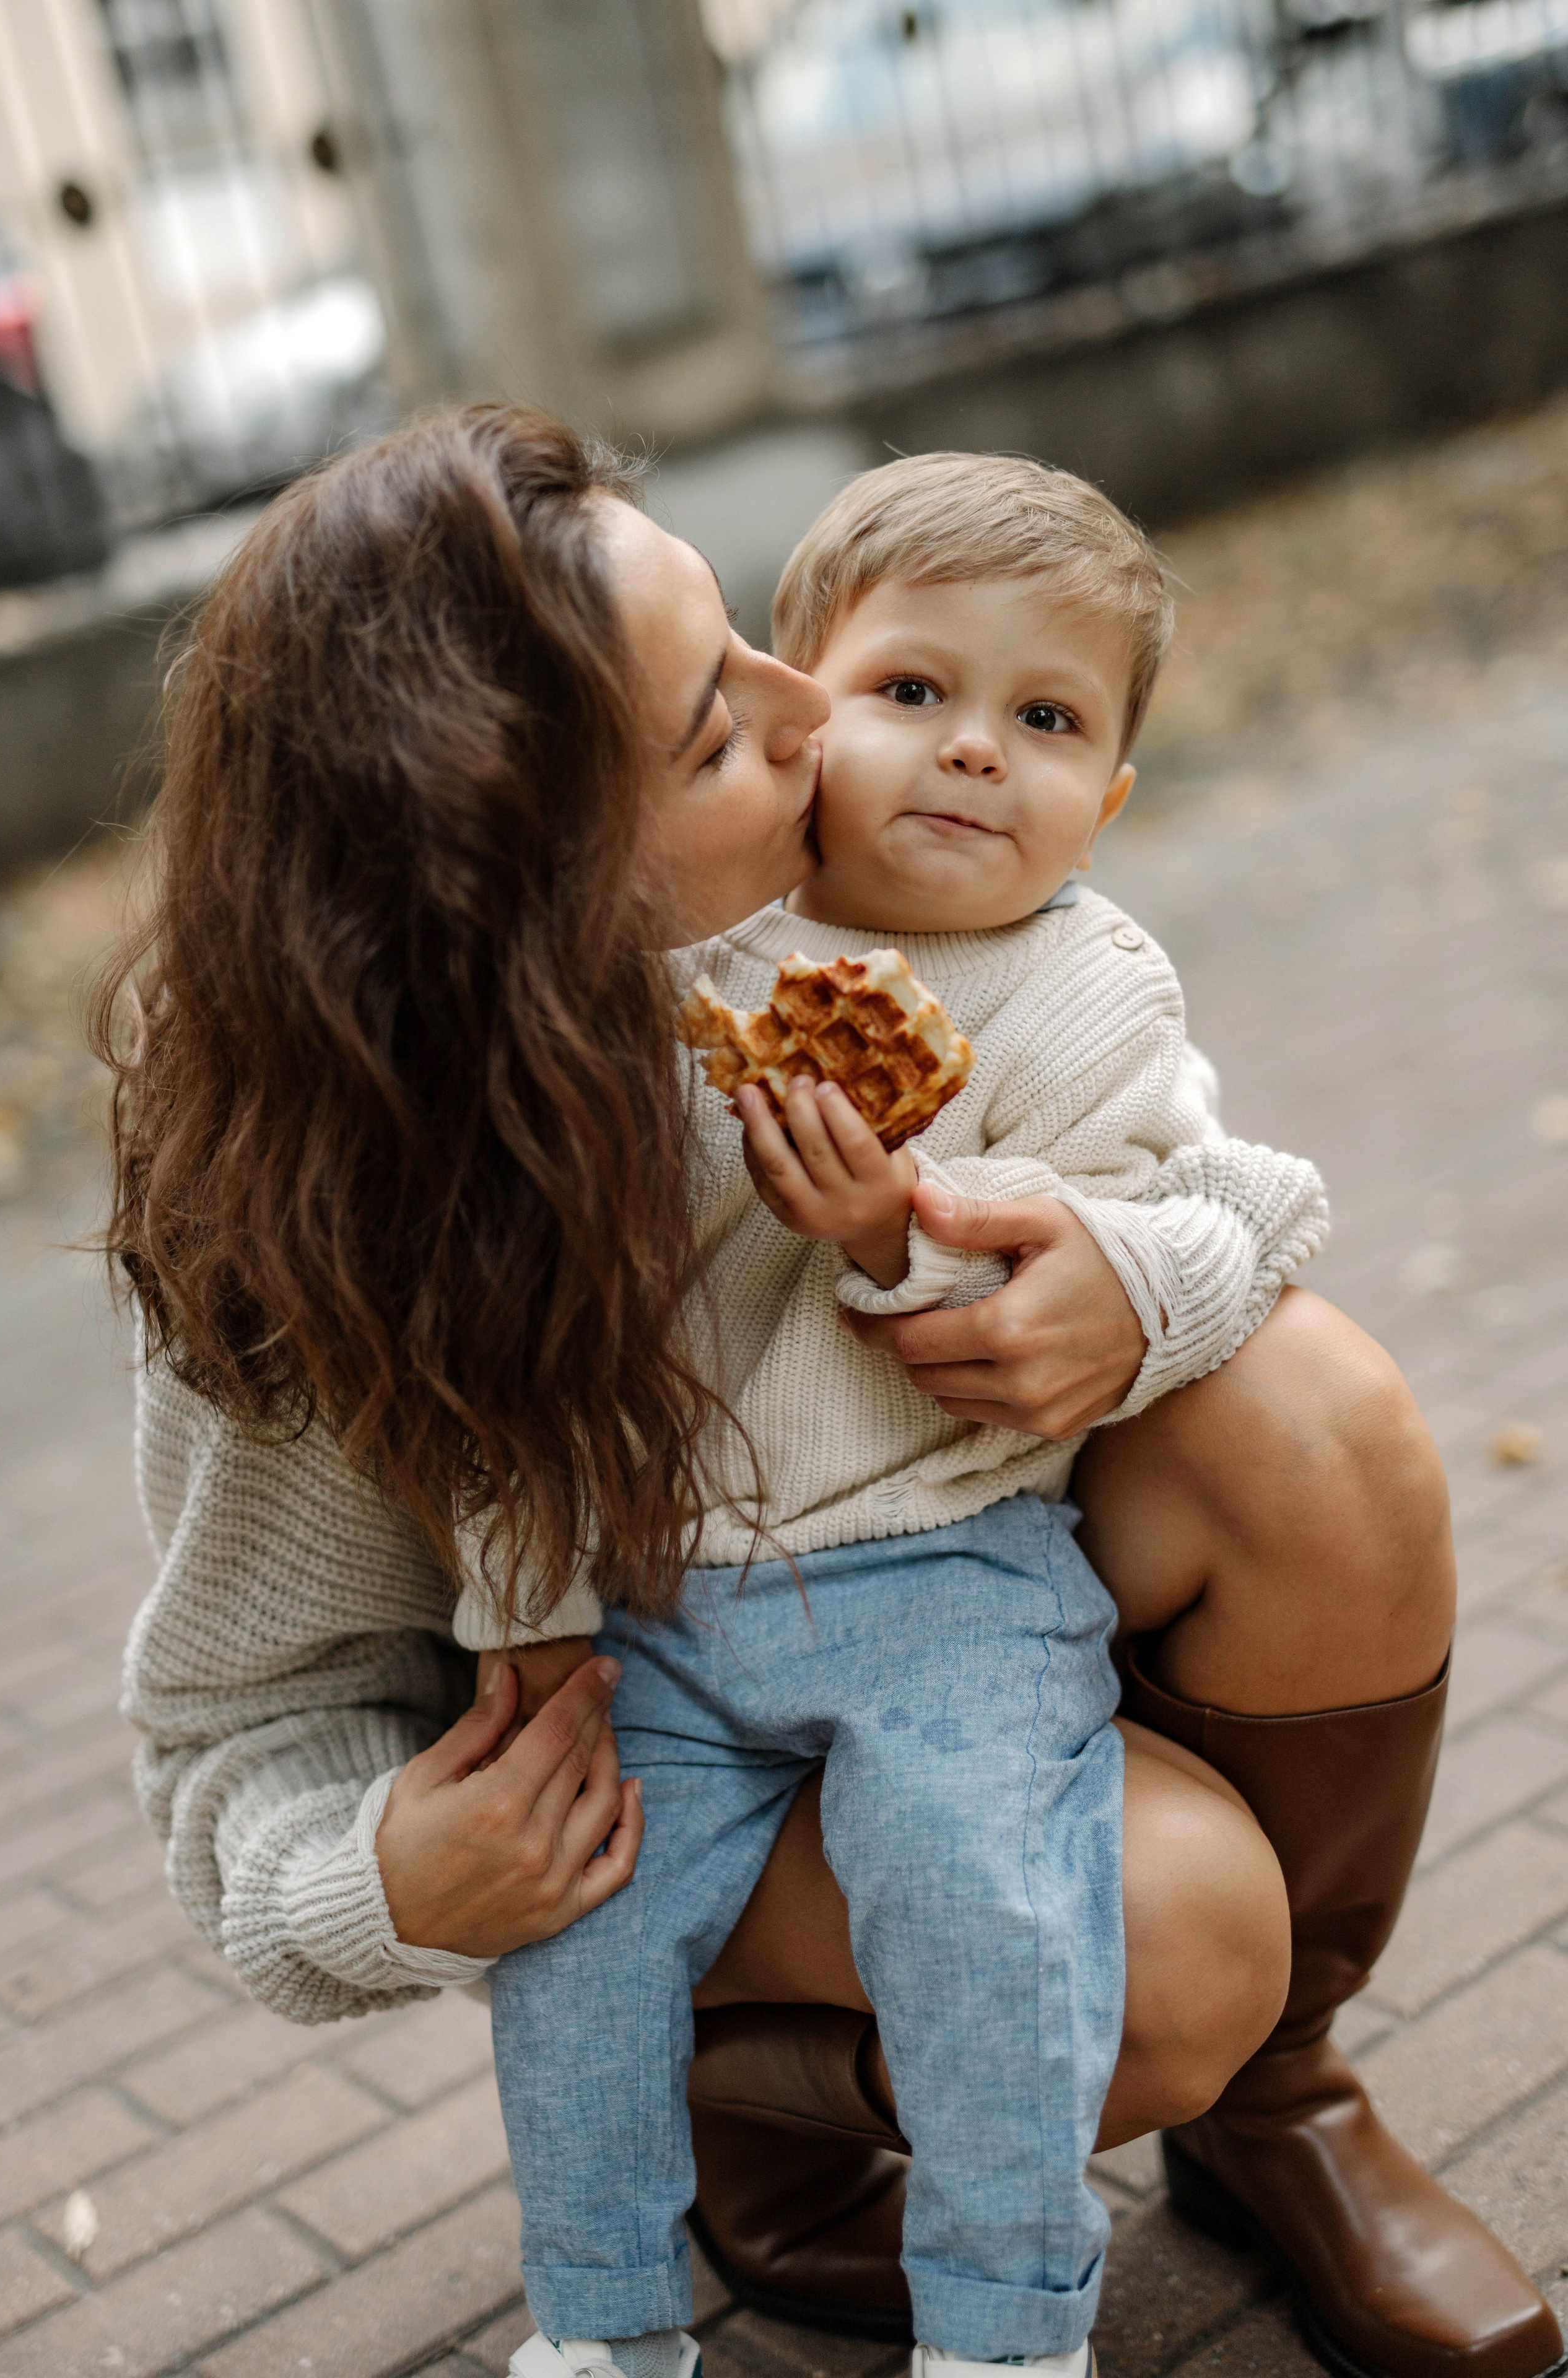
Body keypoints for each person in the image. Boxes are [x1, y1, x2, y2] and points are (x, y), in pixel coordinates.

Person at [102, 406, 1561, 2378]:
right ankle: (745, 2136)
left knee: (1319, 1412)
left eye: (750, 639)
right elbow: (233, 1727)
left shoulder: (933, 954)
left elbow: (1210, 1179)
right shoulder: (320, 1199)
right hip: (630, 1727)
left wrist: (1126, 1301)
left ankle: (1276, 2108)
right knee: (1181, 1932)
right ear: (535, 890)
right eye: (715, 725)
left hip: (941, 1580)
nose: (817, 715)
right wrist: (384, 1882)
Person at [482, 450, 1328, 2378]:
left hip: (947, 1565)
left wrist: (902, 1243)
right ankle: (603, 2326)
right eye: (913, 693)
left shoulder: (1092, 988)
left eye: (1043, 721)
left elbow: (1160, 1213)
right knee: (581, 1945)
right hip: (666, 1595)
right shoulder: (672, 951)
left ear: (1105, 799)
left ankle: (1006, 2325)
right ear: (792, 715)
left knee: (987, 1912)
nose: (969, 753)